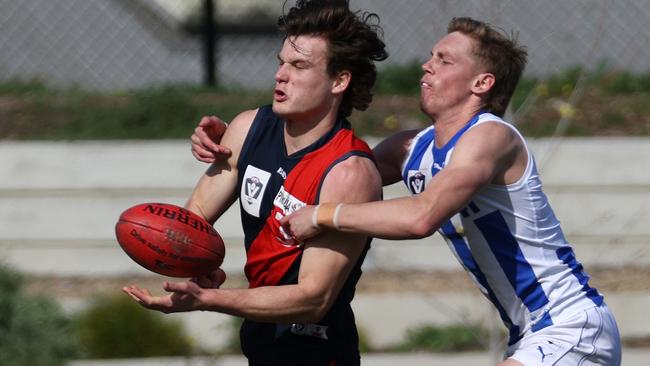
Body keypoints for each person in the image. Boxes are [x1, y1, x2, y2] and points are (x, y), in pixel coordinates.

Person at [190, 17, 622, 366]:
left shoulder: (492, 138)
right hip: (528, 332)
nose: (426, 66)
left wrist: (323, 215)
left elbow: (420, 217)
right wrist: (235, 146)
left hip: (569, 324)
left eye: (445, 60)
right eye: (430, 56)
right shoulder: (411, 148)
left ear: (482, 83)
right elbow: (320, 171)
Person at [123, 1, 387, 365]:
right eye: (281, 62)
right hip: (261, 342)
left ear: (339, 81)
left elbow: (313, 299)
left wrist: (209, 301)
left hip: (317, 353)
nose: (281, 76)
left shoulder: (348, 171)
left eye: (299, 66)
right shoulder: (249, 128)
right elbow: (193, 220)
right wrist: (195, 267)